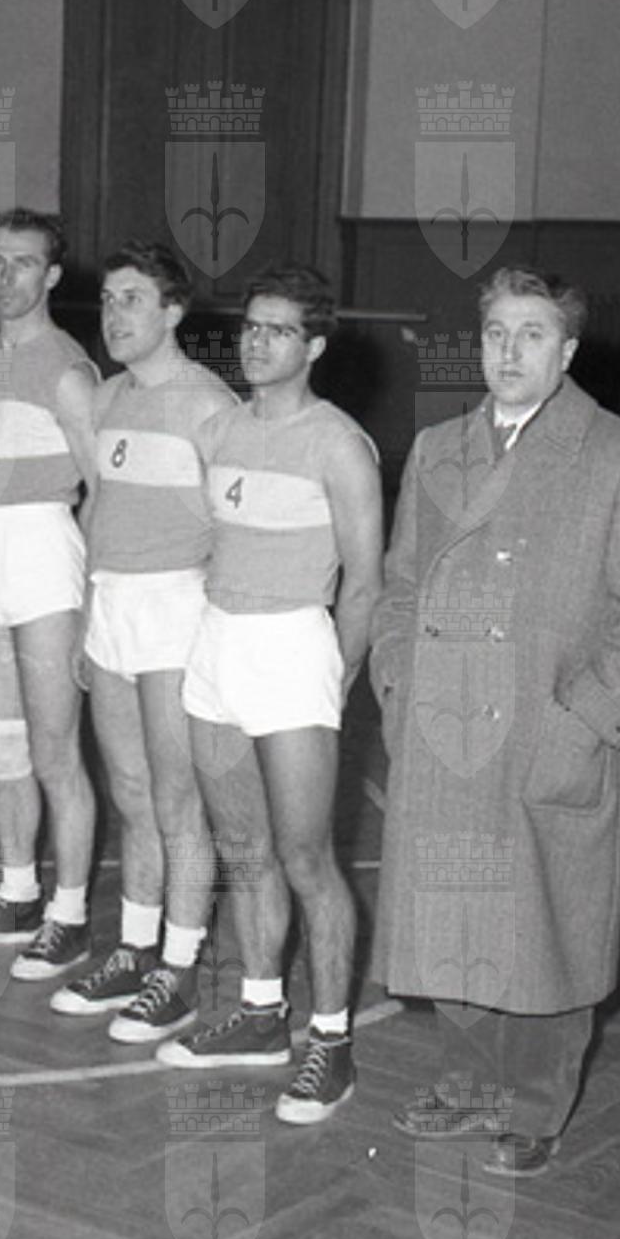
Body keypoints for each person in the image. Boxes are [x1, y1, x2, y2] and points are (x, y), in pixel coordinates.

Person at [371, 268, 620, 1177]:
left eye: (531, 334)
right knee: (452, 909)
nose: (508, 352)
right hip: (442, 728)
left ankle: (532, 1102)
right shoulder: (438, 448)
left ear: (568, 350)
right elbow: (399, 585)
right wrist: (397, 683)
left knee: (546, 923)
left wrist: (582, 721)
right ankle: (469, 1081)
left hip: (545, 727)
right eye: (494, 333)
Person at [162, 264, 383, 1128]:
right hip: (217, 644)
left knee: (305, 859)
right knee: (241, 849)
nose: (255, 342)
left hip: (293, 650)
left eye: (277, 330)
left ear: (313, 346)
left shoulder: (339, 445)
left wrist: (334, 677)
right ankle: (261, 1013)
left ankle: (330, 1042)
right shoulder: (218, 430)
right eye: (250, 326)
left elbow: (364, 582)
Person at [54, 243, 238, 1038]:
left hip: (175, 609)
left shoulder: (209, 406)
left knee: (176, 800)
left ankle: (179, 969)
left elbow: (233, 527)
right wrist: (85, 612)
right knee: (129, 791)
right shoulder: (105, 400)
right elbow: (97, 509)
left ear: (172, 312)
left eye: (131, 299)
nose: (113, 314)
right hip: (111, 610)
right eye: (106, 299)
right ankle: (134, 950)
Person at [0, 213, 100, 978]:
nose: (4, 277)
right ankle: (17, 892)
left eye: (23, 263)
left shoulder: (68, 371)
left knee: (55, 753)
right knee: (1, 743)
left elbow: (102, 490)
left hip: (41, 557)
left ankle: (70, 915)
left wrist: (92, 602)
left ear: (51, 276)